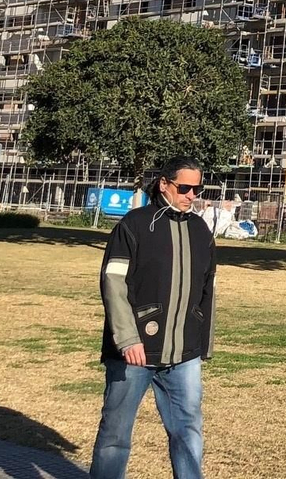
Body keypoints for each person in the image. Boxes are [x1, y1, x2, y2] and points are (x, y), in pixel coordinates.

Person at [90, 157, 216, 479]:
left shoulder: (201, 230)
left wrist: (202, 344)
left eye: (197, 189)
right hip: (135, 353)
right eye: (184, 188)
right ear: (164, 184)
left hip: (184, 356)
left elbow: (208, 289)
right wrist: (127, 339)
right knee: (115, 433)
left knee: (188, 431)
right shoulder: (134, 224)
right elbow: (112, 281)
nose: (191, 195)